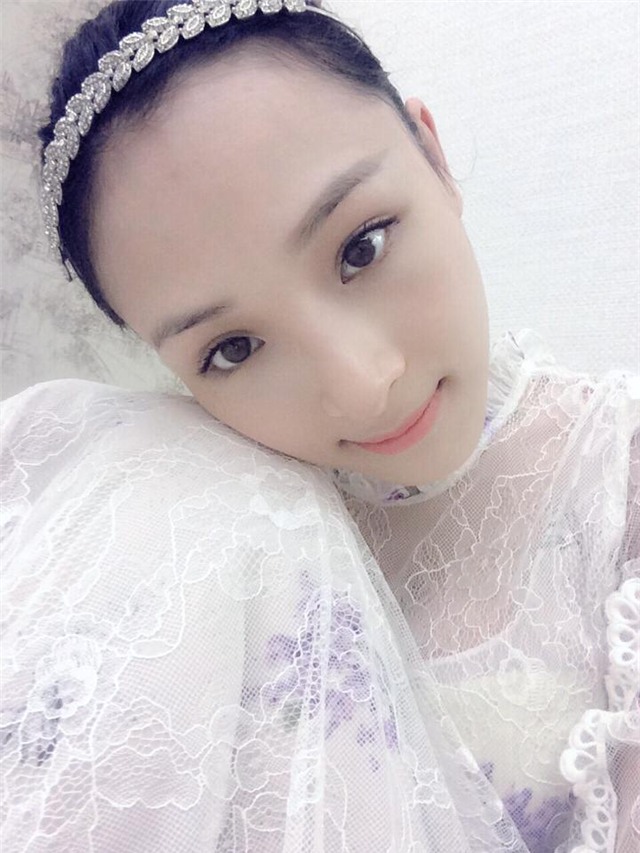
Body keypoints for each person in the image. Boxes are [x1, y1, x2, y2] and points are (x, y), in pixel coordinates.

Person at [1, 1, 638, 851]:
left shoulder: (618, 489)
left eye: (361, 246)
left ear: (435, 155)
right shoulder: (163, 528)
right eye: (233, 349)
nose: (363, 388)